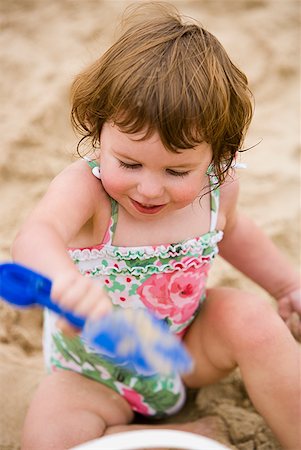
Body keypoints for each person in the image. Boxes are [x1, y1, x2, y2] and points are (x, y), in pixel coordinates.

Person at [12, 2, 300, 449]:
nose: (149, 189)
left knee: (257, 324)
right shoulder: (87, 192)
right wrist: (63, 280)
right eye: (129, 162)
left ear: (217, 157)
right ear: (97, 125)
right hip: (94, 370)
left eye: (176, 171)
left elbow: (235, 232)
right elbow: (35, 235)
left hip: (185, 346)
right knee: (48, 436)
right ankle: (170, 432)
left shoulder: (218, 188)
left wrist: (285, 287)